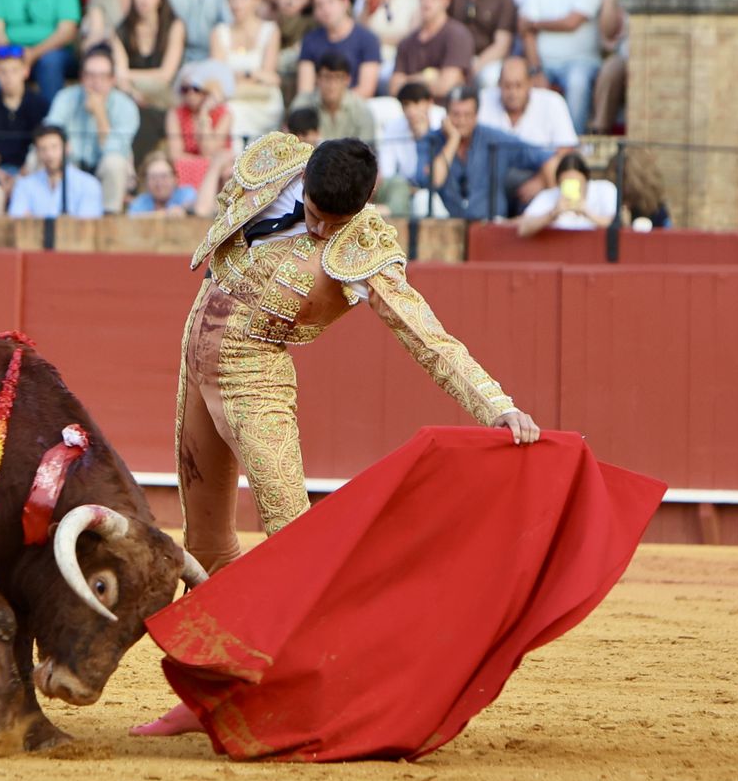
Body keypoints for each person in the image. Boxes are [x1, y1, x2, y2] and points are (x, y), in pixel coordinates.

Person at [139, 132, 538, 714]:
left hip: (256, 378)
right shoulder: (273, 159)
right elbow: (226, 212)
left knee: (293, 539)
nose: (323, 232)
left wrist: (496, 404)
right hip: (193, 357)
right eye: (318, 216)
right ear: (305, 179)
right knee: (203, 545)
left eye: (335, 222)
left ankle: (317, 689)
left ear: (366, 199)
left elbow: (426, 336)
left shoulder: (365, 249)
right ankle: (209, 697)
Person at [417, 83, 555, 217]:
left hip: (490, 224)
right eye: (456, 114)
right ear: (446, 115)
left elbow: (548, 157)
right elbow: (432, 181)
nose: (461, 121)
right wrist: (453, 140)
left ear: (476, 115)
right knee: (421, 199)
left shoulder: (494, 138)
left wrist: (541, 181)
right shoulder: (431, 140)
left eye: (467, 115)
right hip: (445, 228)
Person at [519, 0, 602, 136]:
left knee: (577, 82)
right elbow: (525, 31)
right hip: (543, 64)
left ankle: (573, 143)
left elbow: (571, 22)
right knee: (522, 82)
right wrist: (535, 69)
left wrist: (536, 23)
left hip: (580, 61)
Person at [44, 45, 137, 213]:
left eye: (102, 76)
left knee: (114, 164)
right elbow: (49, 133)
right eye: (90, 75)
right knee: (43, 156)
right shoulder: (65, 98)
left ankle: (110, 219)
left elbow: (114, 150)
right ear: (82, 77)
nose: (96, 83)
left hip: (104, 169)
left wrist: (100, 113)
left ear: (112, 79)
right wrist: (61, 145)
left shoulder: (126, 106)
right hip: (70, 164)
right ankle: (53, 218)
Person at [590, 0, 658, 135]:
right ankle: (599, 129)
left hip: (653, 54)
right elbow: (607, 34)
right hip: (624, 52)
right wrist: (612, 0)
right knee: (609, 72)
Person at [113, 0, 185, 153]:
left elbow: (165, 75)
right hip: (132, 97)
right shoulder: (121, 31)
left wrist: (128, 75)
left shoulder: (174, 27)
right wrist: (133, 91)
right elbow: (119, 78)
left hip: (165, 97)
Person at [211, 0, 284, 142]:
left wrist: (241, 74)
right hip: (232, 98)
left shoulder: (269, 30)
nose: (237, 4)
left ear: (256, 0)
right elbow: (218, 75)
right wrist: (253, 76)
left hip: (262, 100)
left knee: (230, 113)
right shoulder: (220, 32)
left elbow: (269, 75)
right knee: (229, 112)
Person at [389, 0, 474, 100]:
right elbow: (394, 88)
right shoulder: (408, 41)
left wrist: (408, 81)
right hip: (409, 108)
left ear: (447, 0)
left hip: (444, 110)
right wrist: (427, 77)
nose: (427, 2)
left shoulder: (457, 34)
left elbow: (446, 86)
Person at [296, 0, 382, 99]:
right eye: (319, 5)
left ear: (345, 1)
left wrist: (337, 104)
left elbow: (366, 89)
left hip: (356, 104)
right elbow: (305, 89)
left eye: (331, 2)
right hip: (319, 105)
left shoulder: (367, 39)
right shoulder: (310, 40)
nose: (326, 9)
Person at [165, 61, 234, 208]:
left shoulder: (224, 114)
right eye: (185, 89)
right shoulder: (176, 114)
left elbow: (209, 149)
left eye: (196, 88)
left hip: (218, 166)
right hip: (197, 165)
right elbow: (175, 154)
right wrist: (206, 161)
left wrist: (204, 114)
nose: (190, 94)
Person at [0, 45, 48, 176]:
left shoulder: (39, 105)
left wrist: (22, 175)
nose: (9, 77)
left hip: (29, 170)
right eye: (3, 71)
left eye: (15, 70)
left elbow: (43, 145)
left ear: (26, 71)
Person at [477, 56, 575, 156]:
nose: (512, 93)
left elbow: (565, 149)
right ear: (498, 84)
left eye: (518, 85)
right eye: (507, 86)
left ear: (530, 83)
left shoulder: (553, 102)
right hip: (494, 170)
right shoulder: (482, 101)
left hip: (540, 168)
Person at [374, 79, 442, 214]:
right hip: (404, 190)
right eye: (406, 105)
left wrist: (425, 136)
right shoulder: (393, 127)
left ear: (429, 103)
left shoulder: (442, 121)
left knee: (423, 200)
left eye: (416, 103)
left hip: (440, 192)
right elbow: (388, 174)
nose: (411, 111)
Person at [7, 124, 102, 218]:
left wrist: (34, 218)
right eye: (43, 149)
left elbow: (86, 224)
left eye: (54, 147)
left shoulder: (89, 184)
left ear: (67, 148)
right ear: (37, 153)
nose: (49, 154)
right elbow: (18, 221)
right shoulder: (24, 184)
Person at [516, 150, 614, 235]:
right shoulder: (548, 196)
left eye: (577, 183)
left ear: (586, 179)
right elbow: (523, 229)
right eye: (566, 183)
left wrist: (588, 214)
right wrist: (552, 214)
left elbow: (617, 223)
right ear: (559, 183)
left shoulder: (604, 189)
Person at [292, 52, 377, 142]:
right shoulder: (301, 104)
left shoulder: (362, 110)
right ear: (317, 78)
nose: (332, 85)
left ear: (347, 80)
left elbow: (366, 151)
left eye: (338, 77)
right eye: (327, 77)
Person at [129, 151, 196, 215]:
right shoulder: (140, 203)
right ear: (145, 181)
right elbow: (132, 218)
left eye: (164, 176)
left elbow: (194, 207)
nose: (159, 182)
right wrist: (166, 213)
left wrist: (184, 210)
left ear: (175, 178)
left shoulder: (186, 194)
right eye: (153, 177)